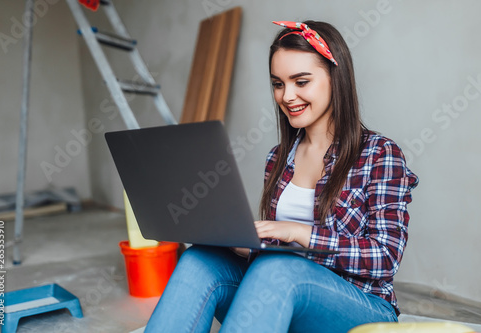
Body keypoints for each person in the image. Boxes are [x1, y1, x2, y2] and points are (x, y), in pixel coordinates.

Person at [145, 20, 419, 333]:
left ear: (335, 78)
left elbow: (385, 258)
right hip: (286, 290)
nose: (287, 96)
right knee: (199, 260)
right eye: (278, 84)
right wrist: (245, 245)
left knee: (279, 269)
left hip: (361, 305)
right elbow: (277, 248)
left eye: (301, 82)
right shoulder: (277, 158)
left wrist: (298, 232)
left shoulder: (380, 154)